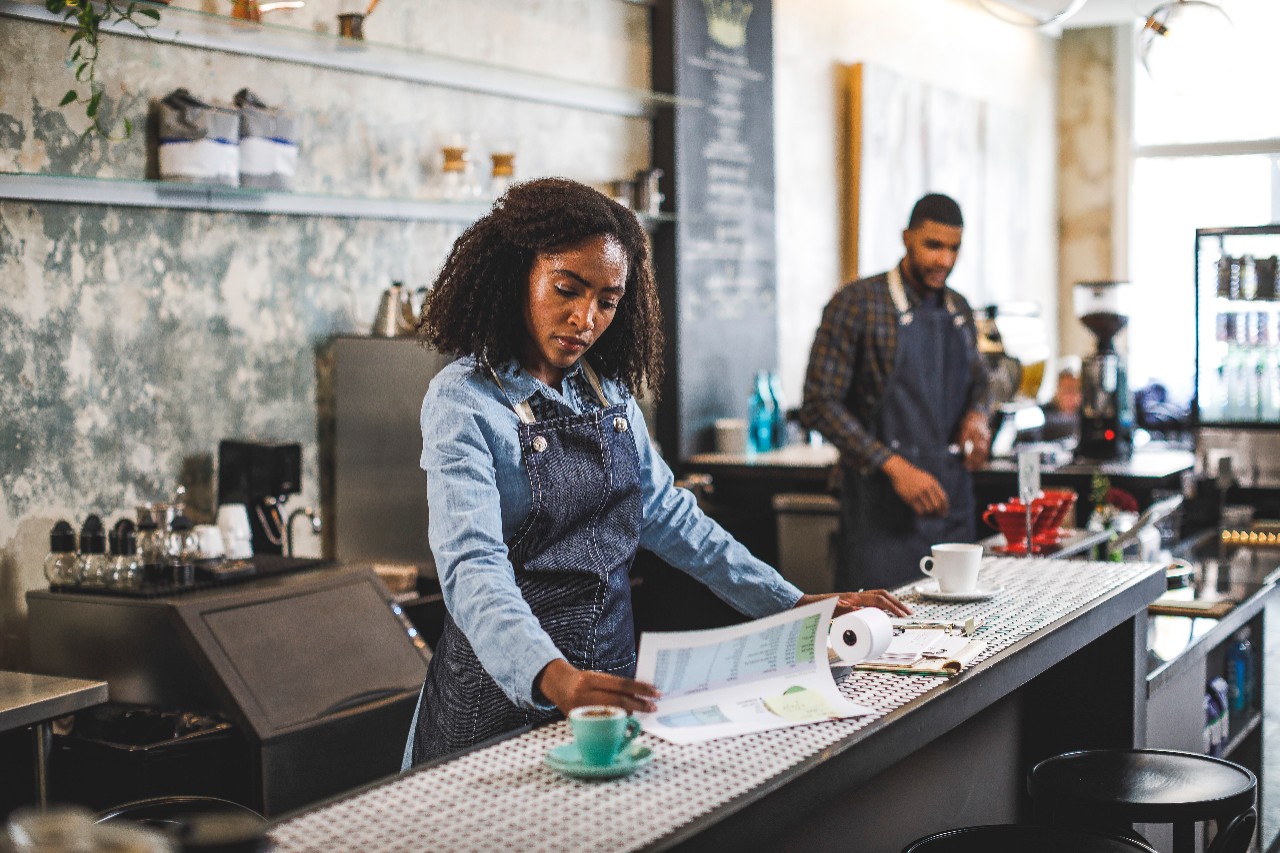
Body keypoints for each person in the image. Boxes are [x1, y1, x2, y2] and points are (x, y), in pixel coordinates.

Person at [403, 178, 910, 767]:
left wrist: (790, 603)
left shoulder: (608, 395)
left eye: (607, 301)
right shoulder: (463, 400)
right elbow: (472, 566)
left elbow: (671, 518)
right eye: (566, 289)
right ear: (518, 272)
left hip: (611, 690)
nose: (584, 318)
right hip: (499, 698)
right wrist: (552, 675)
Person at [799, 192, 991, 592]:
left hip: (952, 506)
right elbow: (819, 404)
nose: (944, 260)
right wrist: (894, 466)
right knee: (882, 643)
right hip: (880, 516)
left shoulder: (959, 309)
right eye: (933, 245)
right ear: (907, 238)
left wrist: (977, 416)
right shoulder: (856, 304)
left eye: (954, 248)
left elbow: (980, 382)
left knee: (963, 642)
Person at [1041, 366, 1082, 442]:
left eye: (1077, 390)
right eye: (1068, 390)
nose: (1074, 397)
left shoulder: (1087, 417)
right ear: (1057, 391)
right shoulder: (1042, 416)